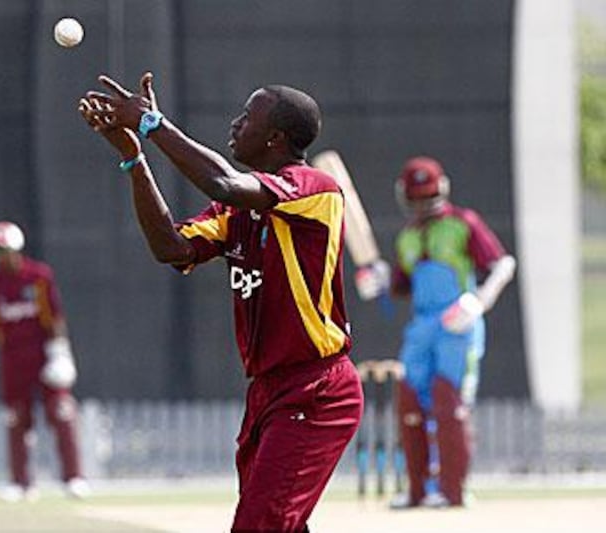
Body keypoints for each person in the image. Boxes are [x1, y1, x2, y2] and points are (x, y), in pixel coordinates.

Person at [77, 72, 363, 532]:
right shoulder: (236, 213)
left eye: (246, 117)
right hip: (268, 392)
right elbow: (171, 248)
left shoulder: (315, 191)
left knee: (257, 526)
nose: (234, 124)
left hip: (317, 389)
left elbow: (223, 183)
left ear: (274, 138)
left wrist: (152, 123)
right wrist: (135, 159)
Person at [354, 156, 516, 508]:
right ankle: (416, 490)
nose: (422, 205)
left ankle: (452, 491)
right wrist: (377, 281)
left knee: (449, 403)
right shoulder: (408, 236)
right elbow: (399, 287)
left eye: (427, 197)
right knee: (410, 400)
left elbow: (503, 264)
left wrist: (478, 302)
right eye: (416, 198)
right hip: (421, 327)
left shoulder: (463, 223)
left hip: (457, 322)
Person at [0, 221, 90, 502]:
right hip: (13, 359)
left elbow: (54, 318)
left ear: (16, 249)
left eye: (2, 249)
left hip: (43, 356)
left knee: (62, 413)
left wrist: (61, 354)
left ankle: (74, 477)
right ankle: (21, 483)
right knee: (16, 420)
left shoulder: (38, 277)